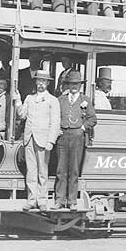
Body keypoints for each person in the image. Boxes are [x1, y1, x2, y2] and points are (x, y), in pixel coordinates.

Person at [16, 70, 60, 211]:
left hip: (43, 140)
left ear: (47, 83)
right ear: (36, 82)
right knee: (31, 171)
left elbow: (55, 123)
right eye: (39, 80)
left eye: (44, 81)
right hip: (29, 138)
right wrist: (18, 101)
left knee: (42, 171)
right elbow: (22, 115)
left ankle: (42, 201)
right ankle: (31, 200)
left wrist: (51, 141)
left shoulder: (52, 100)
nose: (41, 83)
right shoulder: (29, 98)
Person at [53, 71, 97, 210]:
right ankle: (59, 200)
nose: (74, 86)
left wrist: (82, 128)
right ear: (68, 85)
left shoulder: (85, 100)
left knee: (74, 170)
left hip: (77, 138)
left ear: (80, 85)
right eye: (71, 84)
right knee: (61, 170)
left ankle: (72, 201)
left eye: (76, 84)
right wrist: (57, 129)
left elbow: (92, 119)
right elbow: (54, 117)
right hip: (62, 137)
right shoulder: (61, 100)